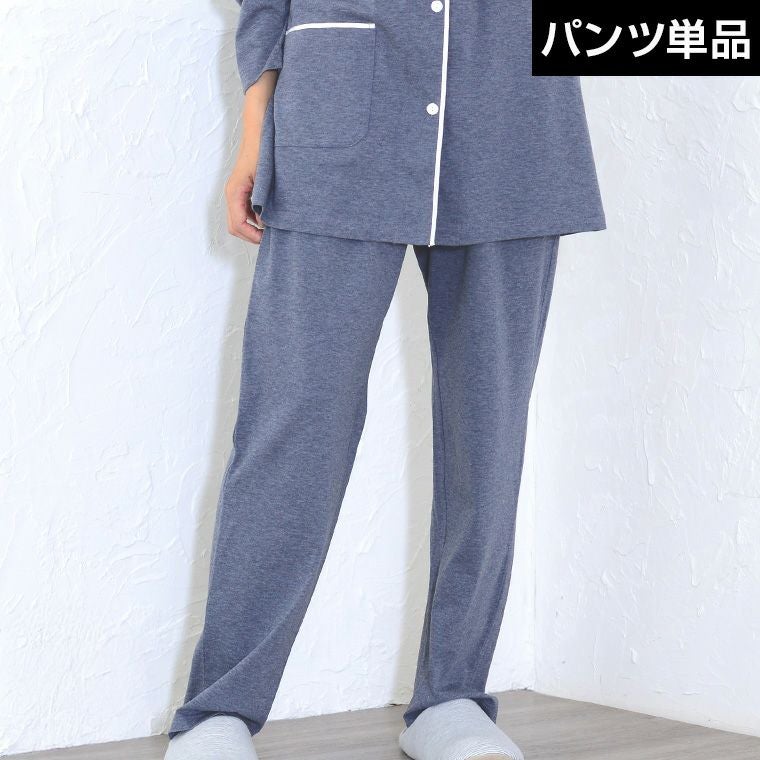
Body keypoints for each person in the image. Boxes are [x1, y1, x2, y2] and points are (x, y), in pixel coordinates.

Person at [165, 0, 605, 758]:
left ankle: (453, 696)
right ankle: (219, 709)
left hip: (511, 119)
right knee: (292, 426)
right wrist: (255, 127)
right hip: (337, 116)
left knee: (488, 432)